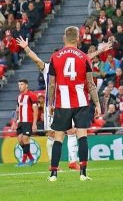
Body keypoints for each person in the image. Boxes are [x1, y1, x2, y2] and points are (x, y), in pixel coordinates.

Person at [16, 36, 112, 171]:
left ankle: (72, 161)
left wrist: (100, 51)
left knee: (71, 131)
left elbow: (84, 57)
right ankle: (52, 164)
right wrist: (26, 48)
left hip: (66, 104)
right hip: (54, 105)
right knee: (52, 134)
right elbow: (36, 59)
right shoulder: (47, 67)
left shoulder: (61, 64)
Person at [47, 26, 101, 182]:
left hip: (62, 102)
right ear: (78, 38)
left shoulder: (55, 57)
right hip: (81, 101)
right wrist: (97, 103)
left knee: (58, 138)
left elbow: (51, 84)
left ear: (64, 37)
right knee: (82, 136)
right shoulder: (84, 57)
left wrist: (50, 103)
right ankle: (83, 173)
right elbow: (90, 83)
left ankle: (53, 174)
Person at [12, 79, 38, 166]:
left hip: (28, 121)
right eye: (19, 85)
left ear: (26, 85)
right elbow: (17, 110)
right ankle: (31, 158)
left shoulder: (32, 95)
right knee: (20, 140)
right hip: (21, 122)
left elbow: (36, 110)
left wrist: (34, 123)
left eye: (22, 84)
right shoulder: (19, 96)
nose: (20, 86)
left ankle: (23, 161)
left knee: (25, 139)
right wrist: (14, 121)